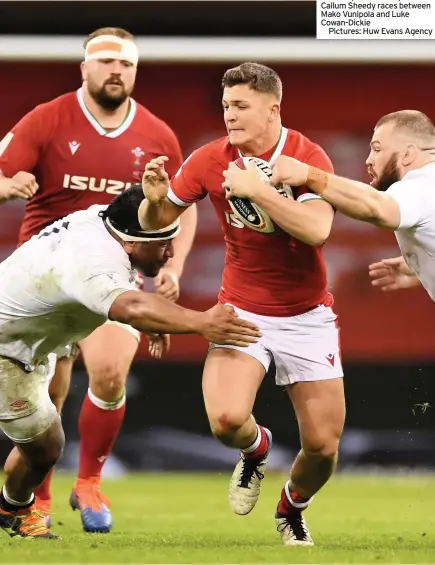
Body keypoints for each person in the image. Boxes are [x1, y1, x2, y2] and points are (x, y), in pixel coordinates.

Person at [138, 62, 344, 547]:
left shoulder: (306, 157)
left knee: (323, 447)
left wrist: (259, 191)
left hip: (306, 316)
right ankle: (257, 450)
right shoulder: (209, 159)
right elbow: (159, 219)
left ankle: (291, 507)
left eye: (241, 106)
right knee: (227, 420)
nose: (229, 115)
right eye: (226, 105)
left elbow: (318, 230)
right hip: (242, 309)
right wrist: (150, 202)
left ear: (273, 109)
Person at [0, 27, 197, 532]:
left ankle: (88, 481)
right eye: (105, 61)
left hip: (110, 275)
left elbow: (178, 205)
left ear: (135, 71)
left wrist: (171, 267)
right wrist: (6, 186)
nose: (116, 71)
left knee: (110, 374)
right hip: (51, 280)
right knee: (53, 397)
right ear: (84, 68)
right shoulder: (46, 120)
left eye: (125, 63)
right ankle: (34, 501)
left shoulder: (156, 135)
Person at [0, 186, 260, 539]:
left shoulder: (103, 219)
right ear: (130, 244)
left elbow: (132, 301)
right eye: (162, 243)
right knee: (45, 446)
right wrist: (201, 322)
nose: (169, 252)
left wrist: (160, 318)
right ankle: (14, 509)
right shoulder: (92, 263)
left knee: (45, 446)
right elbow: (132, 307)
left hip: (28, 342)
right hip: (6, 354)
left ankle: (11, 508)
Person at [267, 110, 435, 305]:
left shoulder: (422, 183)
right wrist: (421, 264)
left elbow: (377, 208)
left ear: (407, 154)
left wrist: (309, 175)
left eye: (377, 149)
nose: (369, 159)